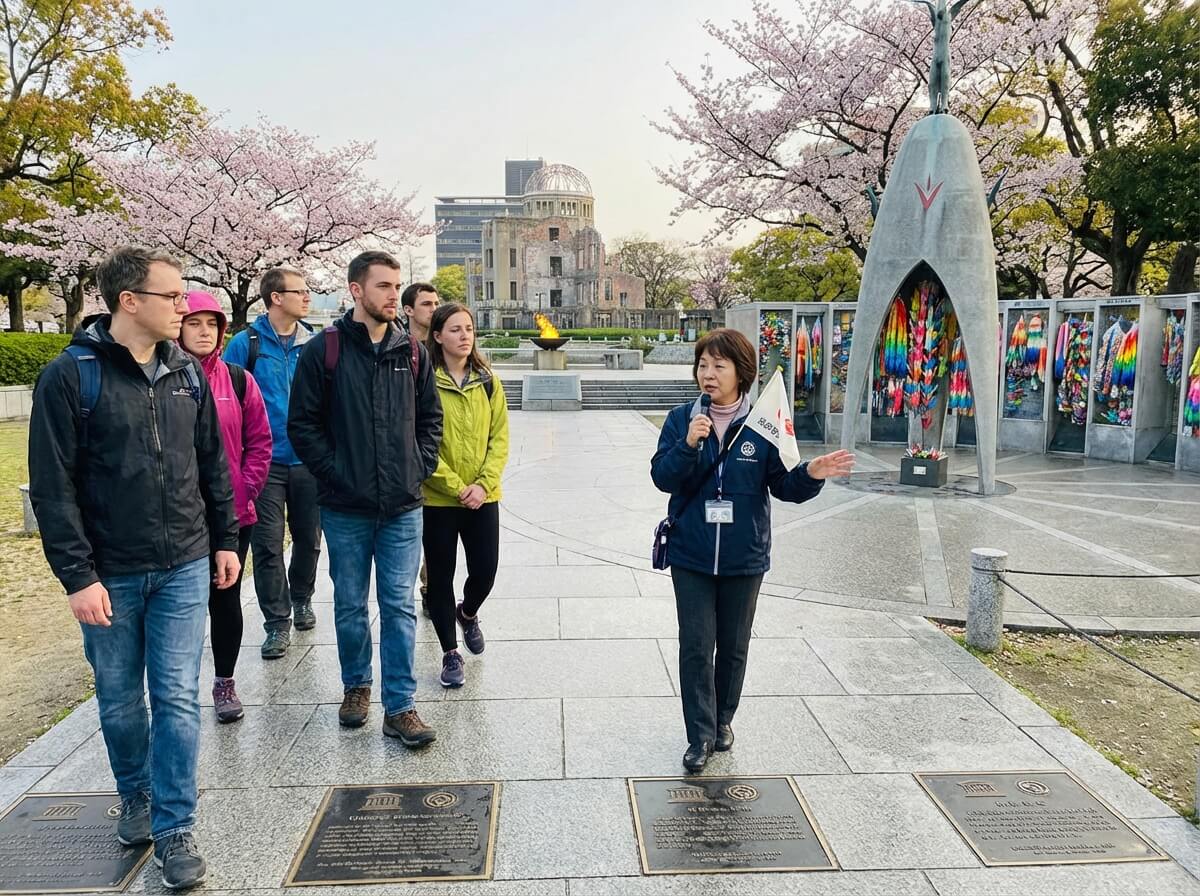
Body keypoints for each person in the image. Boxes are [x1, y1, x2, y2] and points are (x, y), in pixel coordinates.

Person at [28, 246, 240, 890]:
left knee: (175, 696)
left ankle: (176, 827)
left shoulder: (186, 371)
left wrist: (225, 538)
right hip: (109, 572)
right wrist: (78, 576)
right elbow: (53, 488)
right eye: (171, 296)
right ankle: (136, 795)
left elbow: (212, 463)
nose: (184, 307)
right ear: (129, 301)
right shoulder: (71, 376)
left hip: (184, 563)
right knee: (120, 699)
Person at [650, 328, 854, 773]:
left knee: (734, 646)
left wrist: (812, 473)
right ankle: (699, 735)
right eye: (703, 365)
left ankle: (723, 719)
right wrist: (688, 444)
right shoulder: (682, 419)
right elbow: (662, 477)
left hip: (744, 555)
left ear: (741, 372)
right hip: (692, 553)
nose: (708, 374)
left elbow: (783, 485)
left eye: (718, 366)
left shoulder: (763, 424)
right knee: (696, 646)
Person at [288, 251, 443, 746]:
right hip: (344, 507)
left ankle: (400, 706)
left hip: (402, 506)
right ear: (356, 290)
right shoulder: (324, 350)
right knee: (350, 604)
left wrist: (417, 467)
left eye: (397, 286)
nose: (394, 295)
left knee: (398, 605)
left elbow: (430, 420)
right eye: (383, 286)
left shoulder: (411, 351)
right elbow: (302, 426)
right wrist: (337, 474)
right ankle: (356, 686)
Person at [178, 291, 273, 723]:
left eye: (211, 324)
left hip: (232, 513)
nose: (203, 332)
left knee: (225, 596)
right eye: (193, 322)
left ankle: (224, 681)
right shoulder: (163, 379)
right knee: (180, 605)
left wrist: (245, 490)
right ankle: (176, 690)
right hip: (179, 516)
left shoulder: (238, 380)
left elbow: (260, 442)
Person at [224, 267, 321, 660]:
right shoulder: (244, 344)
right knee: (266, 545)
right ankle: (277, 623)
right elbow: (226, 398)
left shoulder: (313, 343)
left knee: (309, 539)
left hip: (308, 460)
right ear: (276, 298)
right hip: (262, 462)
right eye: (300, 291)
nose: (307, 297)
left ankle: (302, 598)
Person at [422, 302, 509, 687]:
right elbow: (421, 442)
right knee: (440, 578)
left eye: (469, 329)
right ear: (438, 335)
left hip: (483, 497)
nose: (464, 336)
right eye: (455, 329)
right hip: (438, 499)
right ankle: (450, 653)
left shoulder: (487, 381)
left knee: (485, 570)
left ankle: (468, 613)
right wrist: (456, 487)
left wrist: (483, 484)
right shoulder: (424, 381)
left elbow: (499, 438)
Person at [401, 282, 440, 617]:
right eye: (427, 304)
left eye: (437, 303)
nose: (434, 309)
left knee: (436, 532)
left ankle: (431, 588)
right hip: (405, 453)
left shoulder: (444, 345)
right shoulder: (399, 346)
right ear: (409, 310)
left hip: (435, 450)